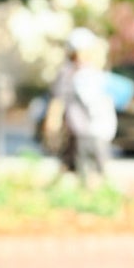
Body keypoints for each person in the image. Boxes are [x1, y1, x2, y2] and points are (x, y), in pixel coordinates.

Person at [47, 28, 117, 182]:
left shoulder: (92, 72)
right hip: (83, 131)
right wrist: (53, 123)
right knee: (83, 169)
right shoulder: (71, 73)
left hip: (91, 130)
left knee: (91, 171)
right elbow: (58, 101)